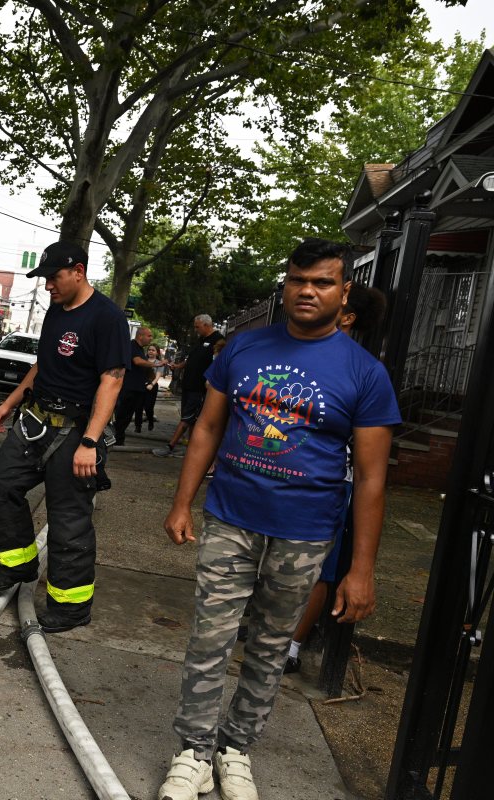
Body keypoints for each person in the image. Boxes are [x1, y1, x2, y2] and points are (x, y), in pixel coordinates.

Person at [156, 238, 400, 800]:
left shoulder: (364, 375)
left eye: (321, 282)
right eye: (297, 280)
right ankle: (193, 751)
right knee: (209, 639)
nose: (307, 291)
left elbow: (371, 479)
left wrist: (360, 569)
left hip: (305, 531)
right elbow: (209, 430)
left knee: (270, 644)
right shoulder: (242, 349)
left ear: (344, 295)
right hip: (230, 519)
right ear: (285, 286)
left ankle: (236, 748)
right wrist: (181, 501)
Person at [0, 241, 128, 633]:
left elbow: (112, 381)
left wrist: (91, 443)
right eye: (44, 281)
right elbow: (42, 364)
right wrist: (10, 402)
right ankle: (19, 566)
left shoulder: (106, 317)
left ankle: (70, 606)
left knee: (68, 522)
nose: (48, 287)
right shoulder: (56, 313)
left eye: (53, 278)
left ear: (78, 271)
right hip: (36, 421)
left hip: (77, 431)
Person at [285, 283, 388, 674]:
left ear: (347, 316)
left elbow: (368, 464)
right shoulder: (302, 354)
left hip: (331, 486)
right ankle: (275, 633)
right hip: (289, 478)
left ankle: (292, 647)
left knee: (317, 569)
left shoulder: (360, 369)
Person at [154, 314, 224, 457]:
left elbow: (219, 364)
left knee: (187, 418)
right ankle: (191, 447)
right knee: (191, 419)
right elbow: (192, 359)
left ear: (206, 325)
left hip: (199, 388)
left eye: (197, 327)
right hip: (188, 385)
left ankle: (170, 446)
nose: (195, 329)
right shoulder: (200, 340)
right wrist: (178, 366)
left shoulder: (218, 341)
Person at [112, 326, 153, 445]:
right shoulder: (132, 346)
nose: (151, 338)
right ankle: (116, 438)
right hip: (129, 388)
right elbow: (137, 361)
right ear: (140, 336)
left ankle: (119, 438)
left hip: (137, 389)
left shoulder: (140, 349)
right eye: (149, 335)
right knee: (122, 414)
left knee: (128, 415)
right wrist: (155, 364)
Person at [135, 344, 162, 433]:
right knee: (138, 407)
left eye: (153, 350)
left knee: (148, 407)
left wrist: (152, 384)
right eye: (149, 349)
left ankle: (150, 420)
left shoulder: (159, 363)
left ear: (157, 353)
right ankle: (138, 426)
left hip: (152, 387)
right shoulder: (143, 361)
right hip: (141, 385)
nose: (150, 351)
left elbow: (157, 376)